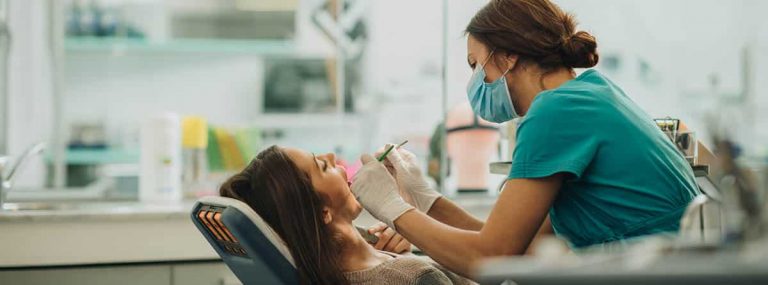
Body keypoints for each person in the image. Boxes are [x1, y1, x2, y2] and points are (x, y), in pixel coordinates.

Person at [350, 0, 700, 278]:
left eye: (476, 65)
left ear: (508, 55)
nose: (474, 81)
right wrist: (427, 201)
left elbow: (489, 260)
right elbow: (520, 245)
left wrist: (394, 208)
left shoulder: (555, 112)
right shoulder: (591, 92)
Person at [219, 146, 473, 285]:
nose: (331, 156)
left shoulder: (371, 252)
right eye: (322, 166)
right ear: (323, 212)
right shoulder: (411, 278)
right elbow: (496, 259)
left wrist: (413, 226)